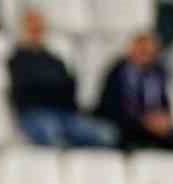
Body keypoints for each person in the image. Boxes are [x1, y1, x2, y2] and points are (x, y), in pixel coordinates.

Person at [7, 6, 115, 148]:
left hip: (64, 114)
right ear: (23, 29)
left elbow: (68, 89)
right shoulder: (16, 59)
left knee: (106, 134)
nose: (36, 30)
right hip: (35, 115)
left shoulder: (54, 60)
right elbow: (26, 92)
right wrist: (51, 87)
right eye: (32, 26)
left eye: (39, 26)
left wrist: (48, 87)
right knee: (53, 135)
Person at [95, 32, 173, 152]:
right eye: (143, 51)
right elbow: (110, 106)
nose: (146, 56)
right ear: (132, 50)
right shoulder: (118, 71)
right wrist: (142, 120)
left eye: (151, 53)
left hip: (149, 124)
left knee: (172, 136)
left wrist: (162, 119)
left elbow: (163, 103)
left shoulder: (158, 74)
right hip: (123, 122)